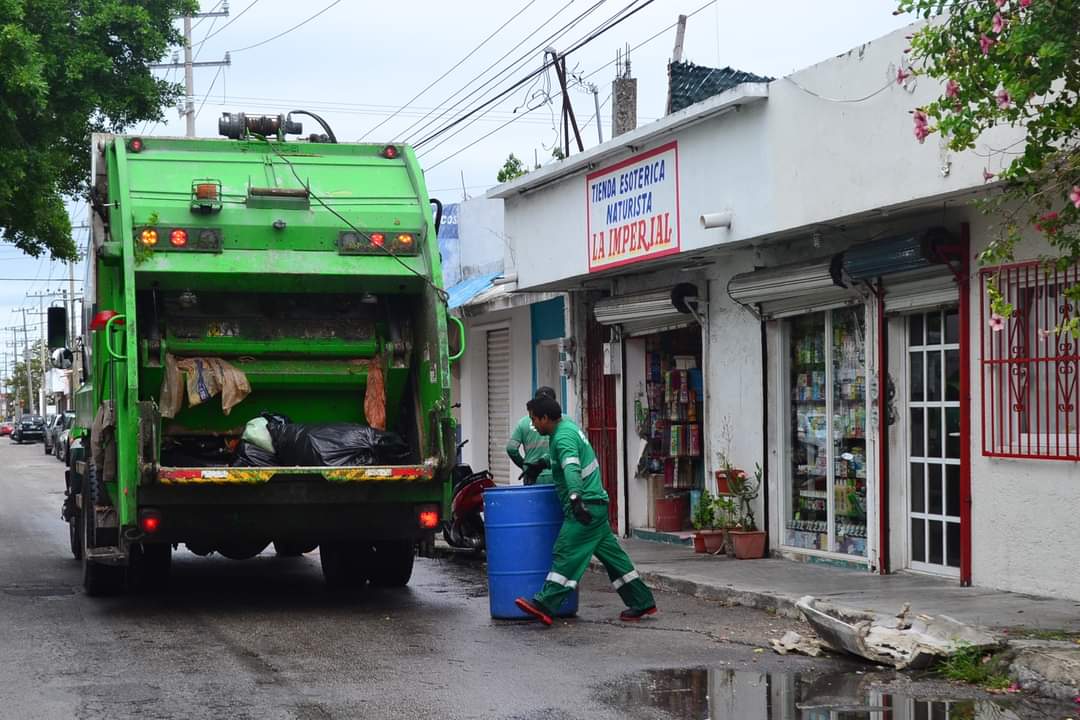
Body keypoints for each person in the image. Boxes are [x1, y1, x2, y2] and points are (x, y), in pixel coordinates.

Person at [514, 395, 657, 626]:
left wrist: (575, 498)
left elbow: (571, 466)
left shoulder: (562, 437)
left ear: (545, 418)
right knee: (614, 559)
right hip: (596, 504)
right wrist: (541, 462)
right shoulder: (565, 427)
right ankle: (642, 601)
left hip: (585, 506)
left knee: (566, 550)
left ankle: (545, 603)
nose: (532, 425)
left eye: (534, 420)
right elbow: (560, 458)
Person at [505, 386, 557, 485]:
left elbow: (511, 448)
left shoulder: (523, 423)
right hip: (556, 475)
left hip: (533, 476)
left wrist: (525, 466)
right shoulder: (563, 420)